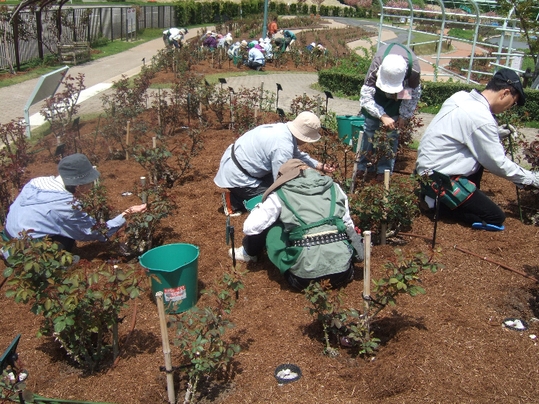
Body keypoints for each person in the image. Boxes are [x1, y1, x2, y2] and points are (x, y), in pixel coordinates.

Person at [416, 68, 538, 230]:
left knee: (478, 160)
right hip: (440, 179)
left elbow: (463, 131)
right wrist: (531, 178)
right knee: (494, 217)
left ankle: (444, 198)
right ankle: (439, 205)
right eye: (513, 102)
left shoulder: (460, 96)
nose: (510, 107)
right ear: (505, 93)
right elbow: (498, 163)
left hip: (426, 171)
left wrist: (495, 134)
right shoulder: (481, 117)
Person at [228, 159, 364, 290]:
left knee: (275, 228)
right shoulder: (335, 188)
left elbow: (250, 227)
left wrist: (261, 208)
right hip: (343, 272)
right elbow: (348, 224)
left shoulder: (279, 195)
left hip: (302, 279)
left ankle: (286, 260)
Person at [2, 153, 146, 252]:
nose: (90, 187)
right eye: (88, 183)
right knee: (67, 241)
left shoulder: (36, 183)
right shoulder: (65, 205)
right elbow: (96, 232)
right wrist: (126, 214)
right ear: (78, 185)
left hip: (7, 242)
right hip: (26, 254)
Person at [214, 111, 335, 215]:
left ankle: (240, 195)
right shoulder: (282, 146)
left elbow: (296, 154)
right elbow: (281, 179)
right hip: (238, 176)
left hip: (238, 165)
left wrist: (319, 166)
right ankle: (234, 201)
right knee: (272, 199)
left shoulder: (283, 130)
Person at [357, 43, 421, 182]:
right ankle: (363, 166)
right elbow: (366, 96)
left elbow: (414, 93)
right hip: (377, 97)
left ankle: (384, 171)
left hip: (399, 97)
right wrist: (381, 115)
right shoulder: (377, 63)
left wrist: (404, 116)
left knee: (391, 135)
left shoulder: (413, 68)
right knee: (370, 130)